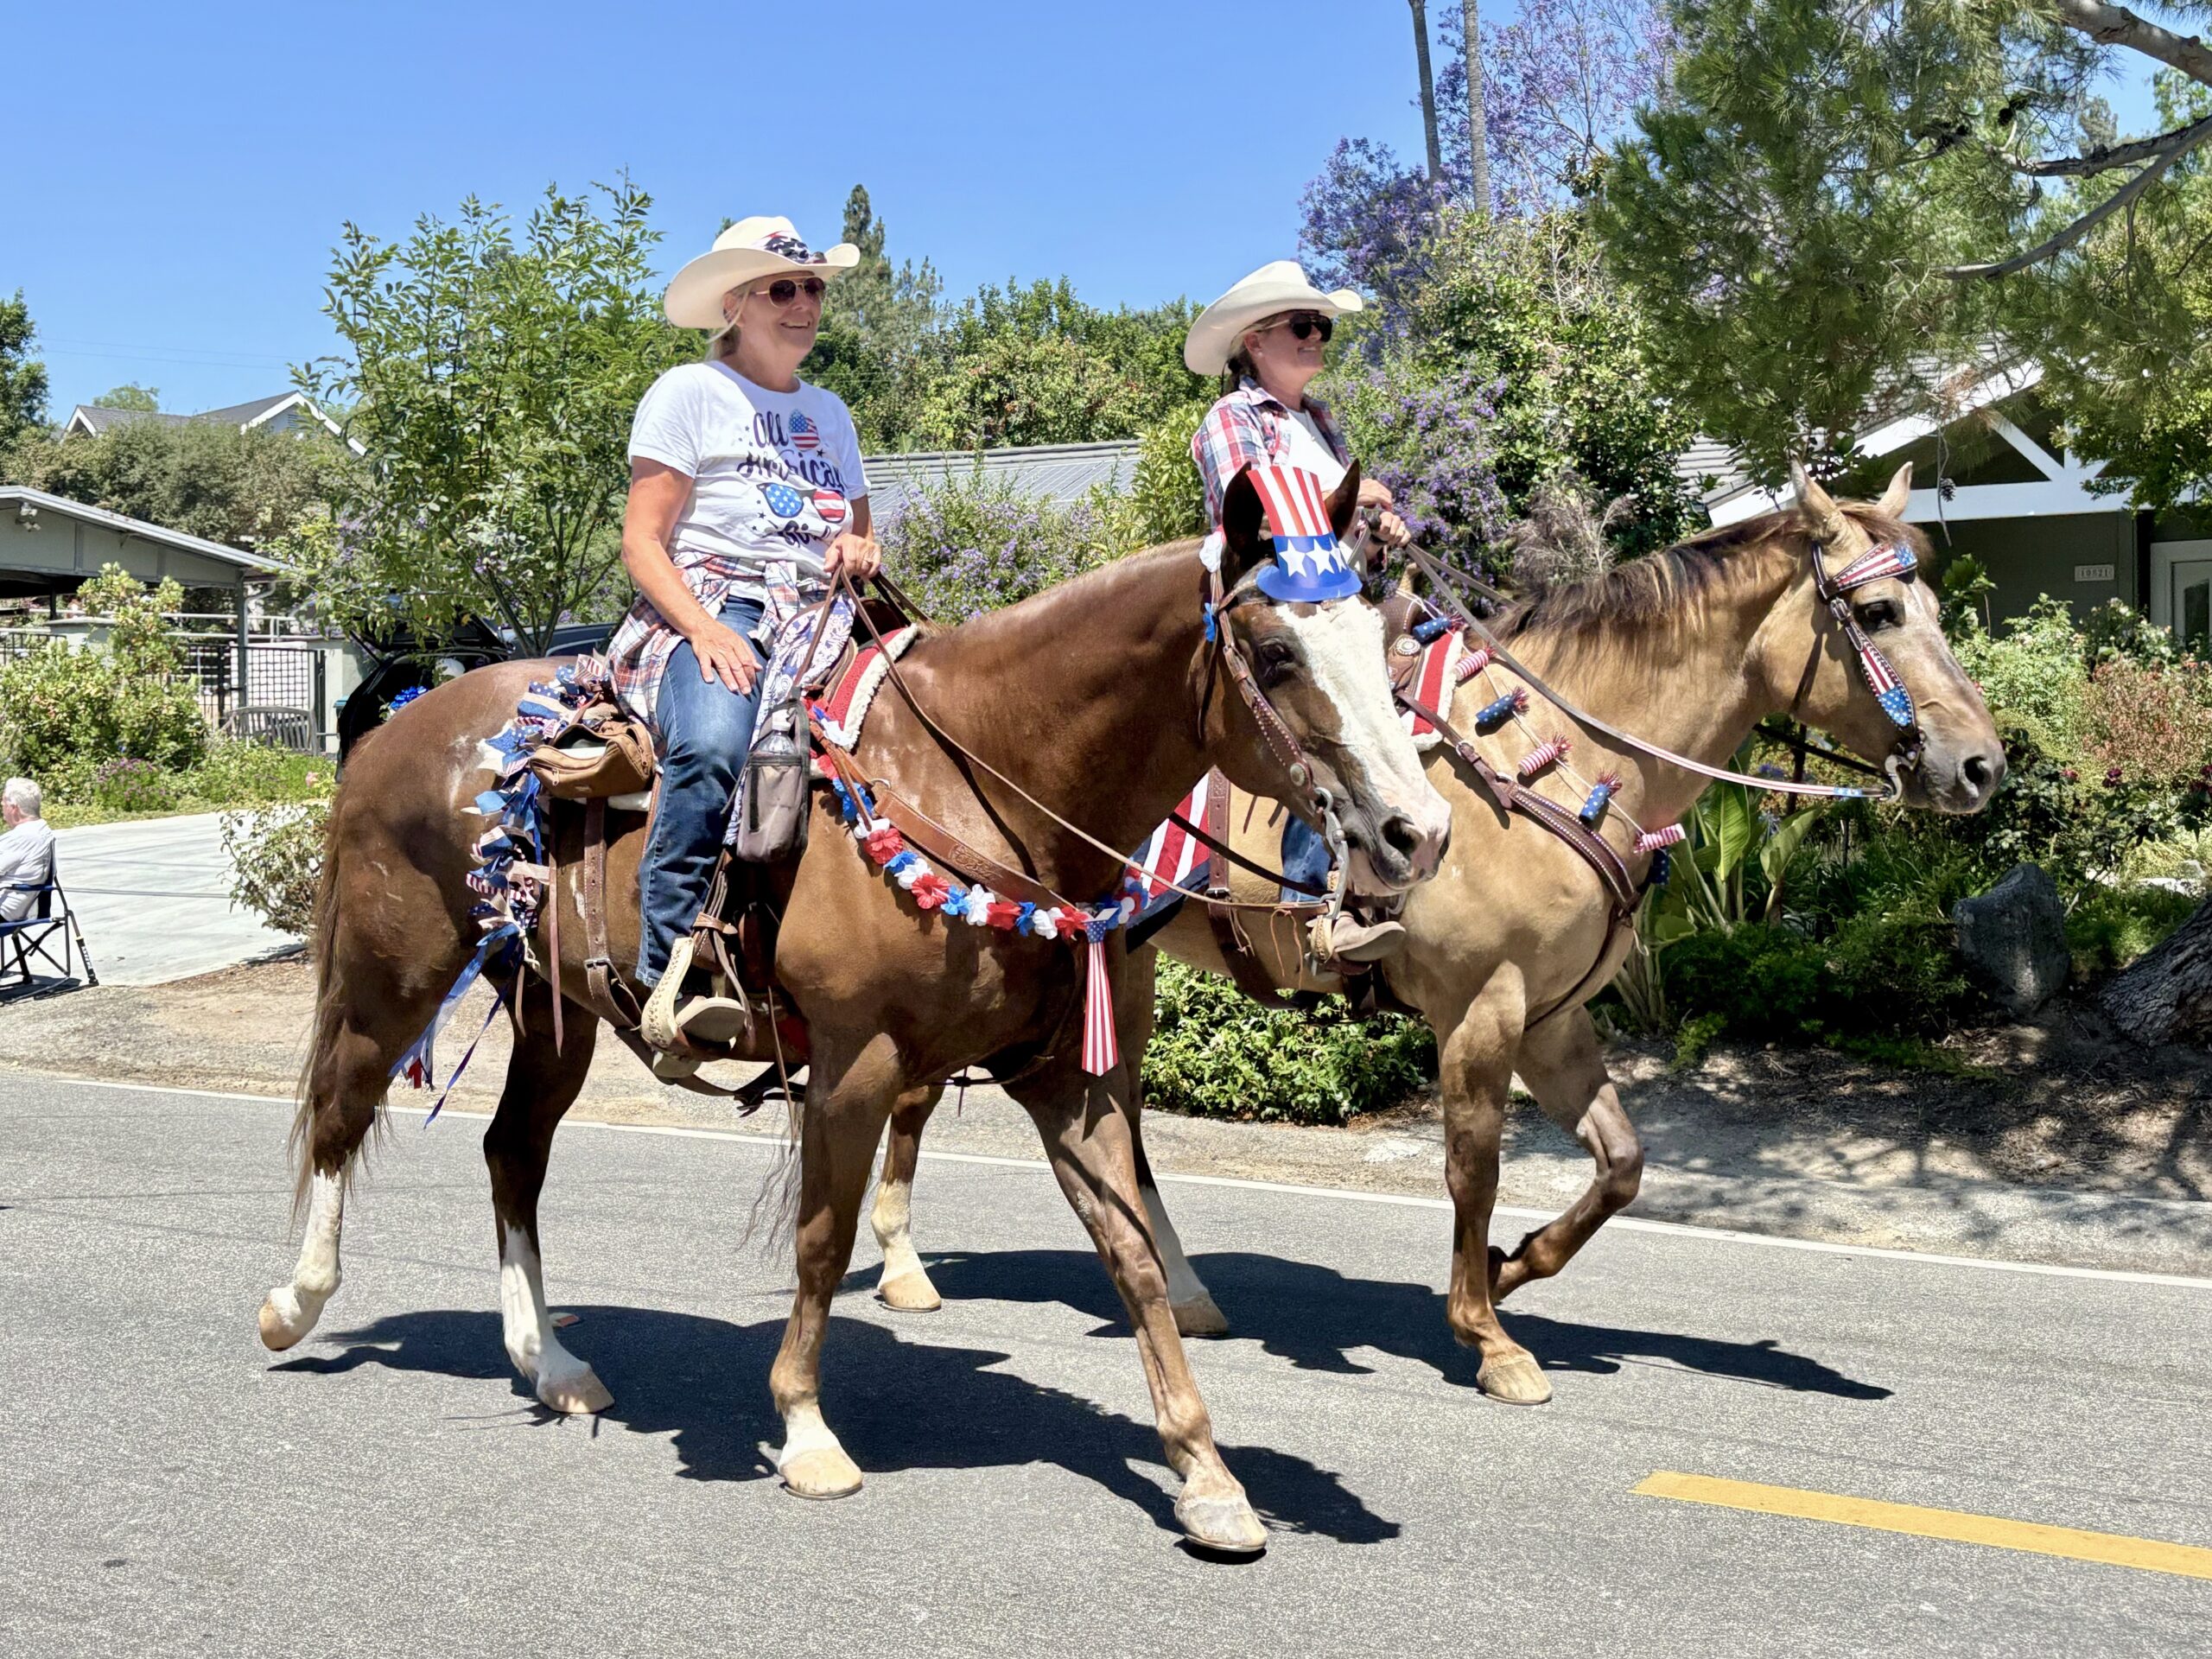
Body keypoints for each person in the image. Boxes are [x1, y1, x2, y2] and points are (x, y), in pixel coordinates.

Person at [607, 215, 882, 1057]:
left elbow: (861, 536)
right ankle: (674, 974)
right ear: (734, 303)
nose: (805, 303)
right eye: (782, 289)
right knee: (715, 745)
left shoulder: (831, 413)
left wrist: (859, 550)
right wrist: (702, 630)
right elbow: (642, 542)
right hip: (720, 604)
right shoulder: (689, 392)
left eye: (813, 288)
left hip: (825, 612)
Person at [1185, 260, 1414, 965]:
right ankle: (1321, 898)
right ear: (1254, 341)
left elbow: (1339, 545)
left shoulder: (1318, 420)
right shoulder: (1231, 419)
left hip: (1335, 607)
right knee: (1317, 723)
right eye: (1304, 325)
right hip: (1275, 613)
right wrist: (1348, 498)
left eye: (1323, 327)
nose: (1317, 336)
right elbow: (1254, 523)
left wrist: (1375, 534)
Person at [0, 776, 55, 924]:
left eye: (3, 803)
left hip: (5, 911)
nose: (2, 808)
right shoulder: (41, 829)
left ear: (13, 808)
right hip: (21, 907)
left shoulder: (22, 837)